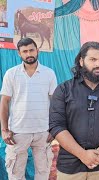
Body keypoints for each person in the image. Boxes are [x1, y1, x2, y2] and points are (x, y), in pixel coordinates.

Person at [49, 41, 99, 180]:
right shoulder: (64, 90)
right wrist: (83, 155)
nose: (98, 64)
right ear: (81, 61)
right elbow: (56, 126)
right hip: (70, 167)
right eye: (93, 59)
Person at [0, 37, 57, 180]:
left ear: (37, 51)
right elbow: (4, 102)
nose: (29, 54)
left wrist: (54, 128)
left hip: (43, 132)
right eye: (24, 51)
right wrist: (4, 130)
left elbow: (55, 103)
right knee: (15, 175)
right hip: (17, 133)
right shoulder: (11, 74)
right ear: (19, 54)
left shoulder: (49, 73)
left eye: (31, 50)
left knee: (43, 174)